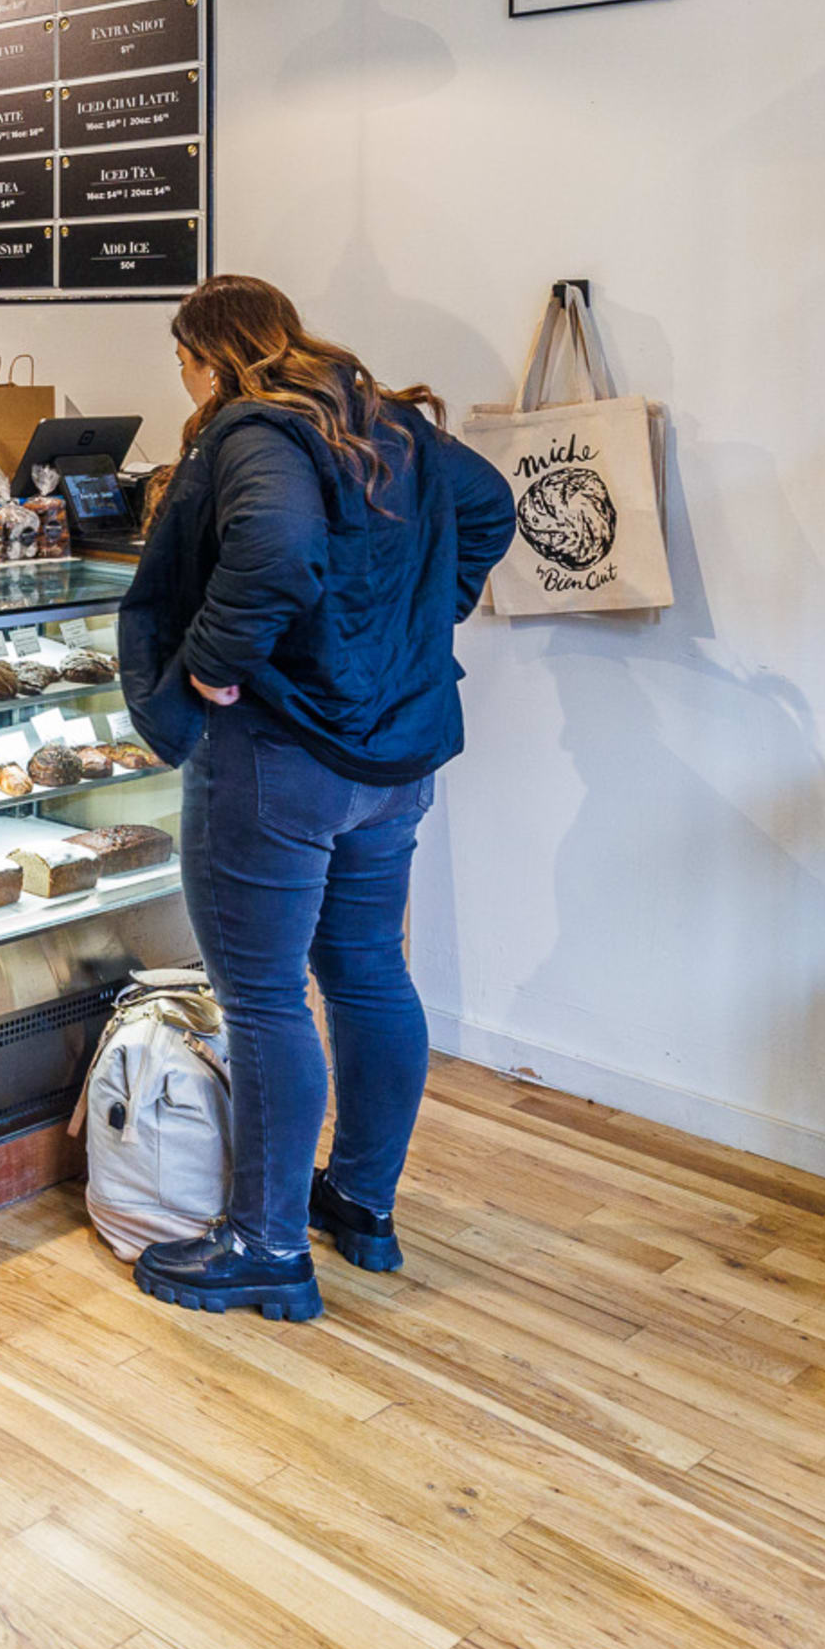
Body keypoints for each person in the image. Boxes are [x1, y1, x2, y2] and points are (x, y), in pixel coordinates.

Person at [116, 275, 516, 1323]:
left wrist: (210, 667)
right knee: (370, 974)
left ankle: (265, 1245)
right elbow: (489, 508)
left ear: (208, 357)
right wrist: (421, 613)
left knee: (262, 1001)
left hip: (282, 759)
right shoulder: (380, 419)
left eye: (184, 363)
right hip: (396, 754)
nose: (186, 381)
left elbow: (278, 547)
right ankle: (361, 1207)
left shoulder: (255, 432)